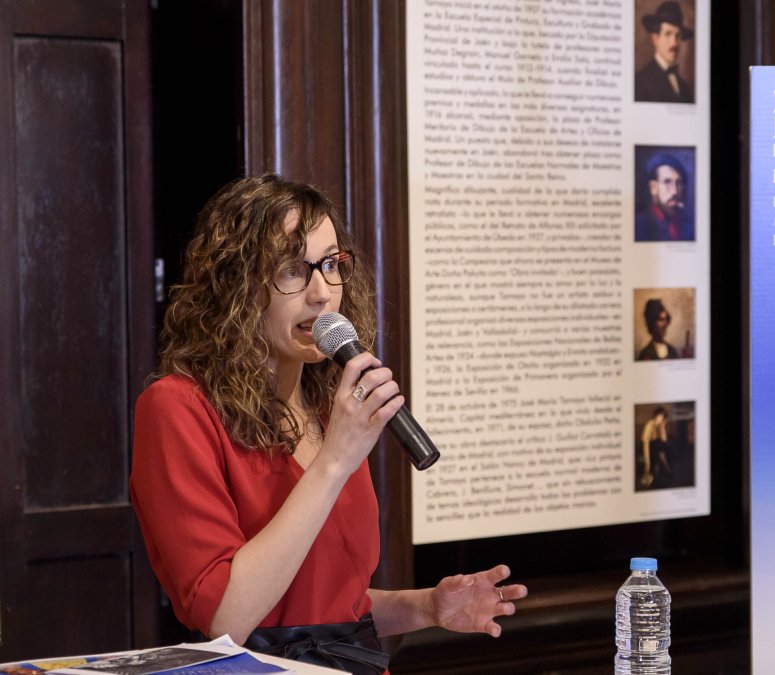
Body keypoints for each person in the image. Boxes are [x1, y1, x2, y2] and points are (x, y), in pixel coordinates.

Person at [130, 175, 527, 673]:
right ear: (234, 284)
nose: (321, 293)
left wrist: (425, 607)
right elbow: (227, 615)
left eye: (331, 265)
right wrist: (336, 458)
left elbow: (326, 607)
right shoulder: (176, 408)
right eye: (292, 270)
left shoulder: (326, 405)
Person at [634, 1, 694, 103]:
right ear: (655, 39)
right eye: (668, 34)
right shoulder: (640, 82)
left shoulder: (685, 88)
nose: (674, 43)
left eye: (678, 36)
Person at [634, 152, 695, 242]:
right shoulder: (640, 225)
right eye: (667, 182)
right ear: (653, 188)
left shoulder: (689, 224)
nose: (675, 191)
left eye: (679, 183)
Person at [639, 407, 672, 488]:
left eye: (662, 417)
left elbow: (664, 440)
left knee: (661, 448)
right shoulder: (649, 425)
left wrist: (663, 426)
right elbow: (645, 445)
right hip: (645, 447)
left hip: (655, 447)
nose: (660, 418)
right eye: (659, 416)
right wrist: (647, 463)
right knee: (660, 449)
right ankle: (667, 470)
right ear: (655, 415)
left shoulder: (660, 425)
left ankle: (658, 474)